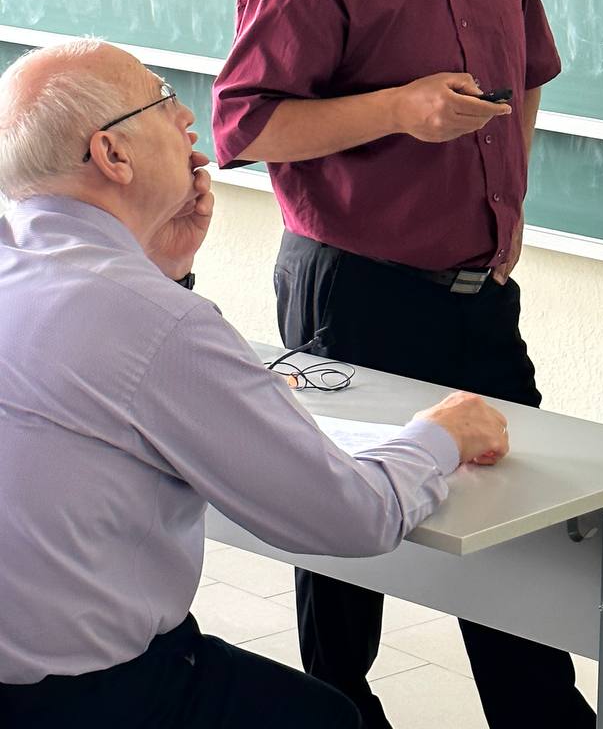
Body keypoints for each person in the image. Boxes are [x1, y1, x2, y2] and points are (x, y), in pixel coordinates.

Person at [212, 0, 594, 728]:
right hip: (355, 288)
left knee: (515, 515)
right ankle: (340, 711)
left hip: (477, 289)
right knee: (345, 526)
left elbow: (528, 71)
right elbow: (243, 127)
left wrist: (507, 202)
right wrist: (396, 108)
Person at [0, 38, 510, 729]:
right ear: (112, 155)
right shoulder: (155, 322)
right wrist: (440, 436)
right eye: (162, 100)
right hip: (77, 699)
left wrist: (165, 271)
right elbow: (351, 516)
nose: (189, 119)